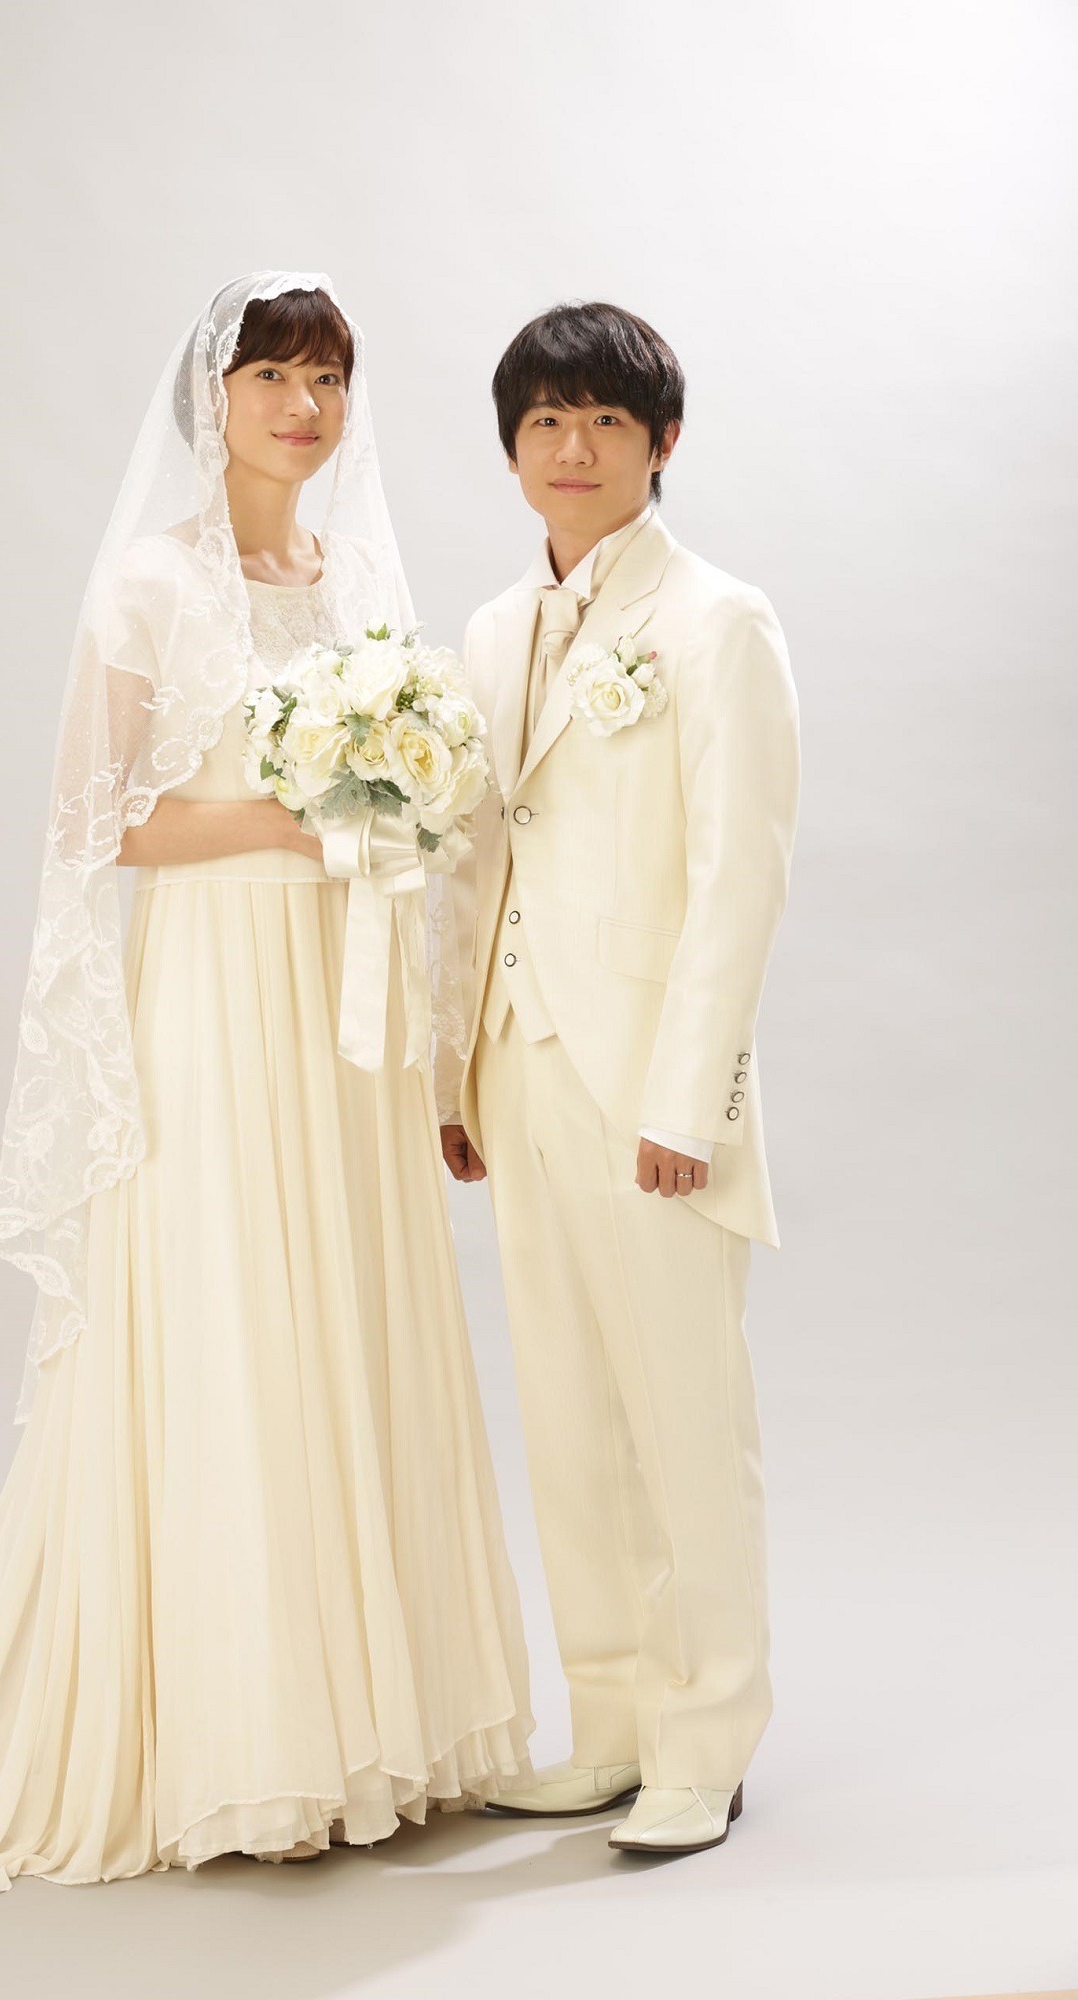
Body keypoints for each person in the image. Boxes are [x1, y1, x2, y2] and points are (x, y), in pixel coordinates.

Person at [0, 271, 532, 1900]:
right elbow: (100, 822)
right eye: (272, 377)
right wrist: (304, 809)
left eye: (327, 380)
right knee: (234, 1313)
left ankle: (382, 1728)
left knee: (351, 1311)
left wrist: (386, 803)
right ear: (211, 398)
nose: (303, 408)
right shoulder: (151, 584)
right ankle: (246, 1745)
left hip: (341, 1001)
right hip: (219, 991)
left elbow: (425, 795)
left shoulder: (353, 577)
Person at [439, 300, 800, 1856]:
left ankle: (704, 1740)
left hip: (649, 1086)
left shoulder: (716, 622)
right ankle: (607, 1725)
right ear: (511, 449)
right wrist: (450, 1072)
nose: (570, 448)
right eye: (543, 421)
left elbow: (738, 879)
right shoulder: (491, 631)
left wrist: (684, 1101)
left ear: (661, 441)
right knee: (571, 1417)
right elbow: (473, 859)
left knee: (682, 1420)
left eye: (602, 420)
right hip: (518, 1069)